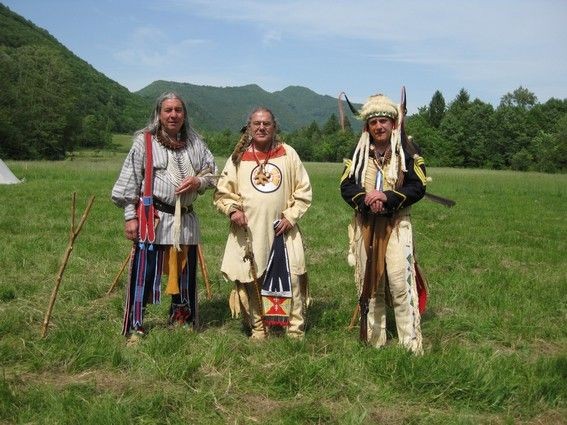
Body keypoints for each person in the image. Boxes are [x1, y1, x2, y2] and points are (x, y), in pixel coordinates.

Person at [112, 92, 217, 339]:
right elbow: (129, 181)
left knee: (184, 273)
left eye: (178, 110)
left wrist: (198, 181)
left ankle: (182, 319)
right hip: (153, 218)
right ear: (158, 114)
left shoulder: (195, 142)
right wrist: (130, 216)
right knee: (144, 272)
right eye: (168, 110)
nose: (173, 115)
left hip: (186, 222)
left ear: (184, 114)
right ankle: (136, 325)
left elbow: (213, 173)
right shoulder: (144, 141)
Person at [214, 107, 312, 340]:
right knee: (252, 279)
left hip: (283, 229)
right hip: (249, 230)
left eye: (266, 123)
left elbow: (303, 189)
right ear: (249, 128)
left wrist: (291, 216)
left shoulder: (287, 154)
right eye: (256, 124)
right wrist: (233, 211)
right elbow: (222, 193)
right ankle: (259, 327)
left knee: (293, 277)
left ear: (274, 127)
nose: (261, 128)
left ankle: (294, 329)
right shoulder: (238, 158)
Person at [340, 92, 426, 354]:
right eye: (374, 122)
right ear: (368, 126)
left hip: (397, 223)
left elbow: (417, 186)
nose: (379, 126)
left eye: (384, 122)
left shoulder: (408, 151)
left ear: (394, 124)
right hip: (365, 224)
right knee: (370, 284)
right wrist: (366, 199)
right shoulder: (358, 153)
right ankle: (374, 341)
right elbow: (346, 185)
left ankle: (410, 345)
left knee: (400, 282)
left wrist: (387, 197)